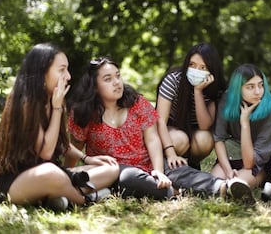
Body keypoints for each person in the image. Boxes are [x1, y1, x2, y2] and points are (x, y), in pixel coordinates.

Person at [66, 57, 253, 201]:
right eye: (108, 79)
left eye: (118, 76)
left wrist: (158, 171)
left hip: (149, 163)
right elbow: (74, 147)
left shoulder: (136, 102)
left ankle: (225, 188)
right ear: (94, 86)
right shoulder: (83, 113)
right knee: (129, 178)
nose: (117, 82)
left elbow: (152, 139)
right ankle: (174, 192)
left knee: (180, 172)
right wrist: (68, 173)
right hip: (116, 170)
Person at [0, 43, 119, 211]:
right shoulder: (25, 104)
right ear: (42, 72)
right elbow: (46, 152)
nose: (68, 76)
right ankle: (83, 200)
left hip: (55, 174)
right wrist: (57, 108)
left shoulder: (53, 99)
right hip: (16, 182)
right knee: (52, 173)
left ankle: (58, 198)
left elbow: (61, 143)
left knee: (110, 169)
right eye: (62, 70)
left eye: (67, 69)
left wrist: (86, 158)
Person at [156, 42, 227, 170]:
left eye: (203, 68)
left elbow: (205, 126)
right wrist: (171, 153)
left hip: (195, 131)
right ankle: (168, 162)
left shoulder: (216, 89)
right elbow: (160, 121)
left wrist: (198, 91)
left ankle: (192, 165)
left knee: (205, 139)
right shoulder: (173, 80)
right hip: (170, 129)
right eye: (192, 65)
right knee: (180, 139)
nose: (196, 71)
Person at [211, 64, 271, 191]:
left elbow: (249, 163)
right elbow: (218, 138)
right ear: (238, 89)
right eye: (250, 87)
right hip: (231, 157)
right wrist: (228, 170)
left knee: (235, 185)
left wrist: (245, 123)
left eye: (260, 85)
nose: (258, 91)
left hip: (255, 164)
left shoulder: (270, 113)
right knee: (214, 183)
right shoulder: (226, 100)